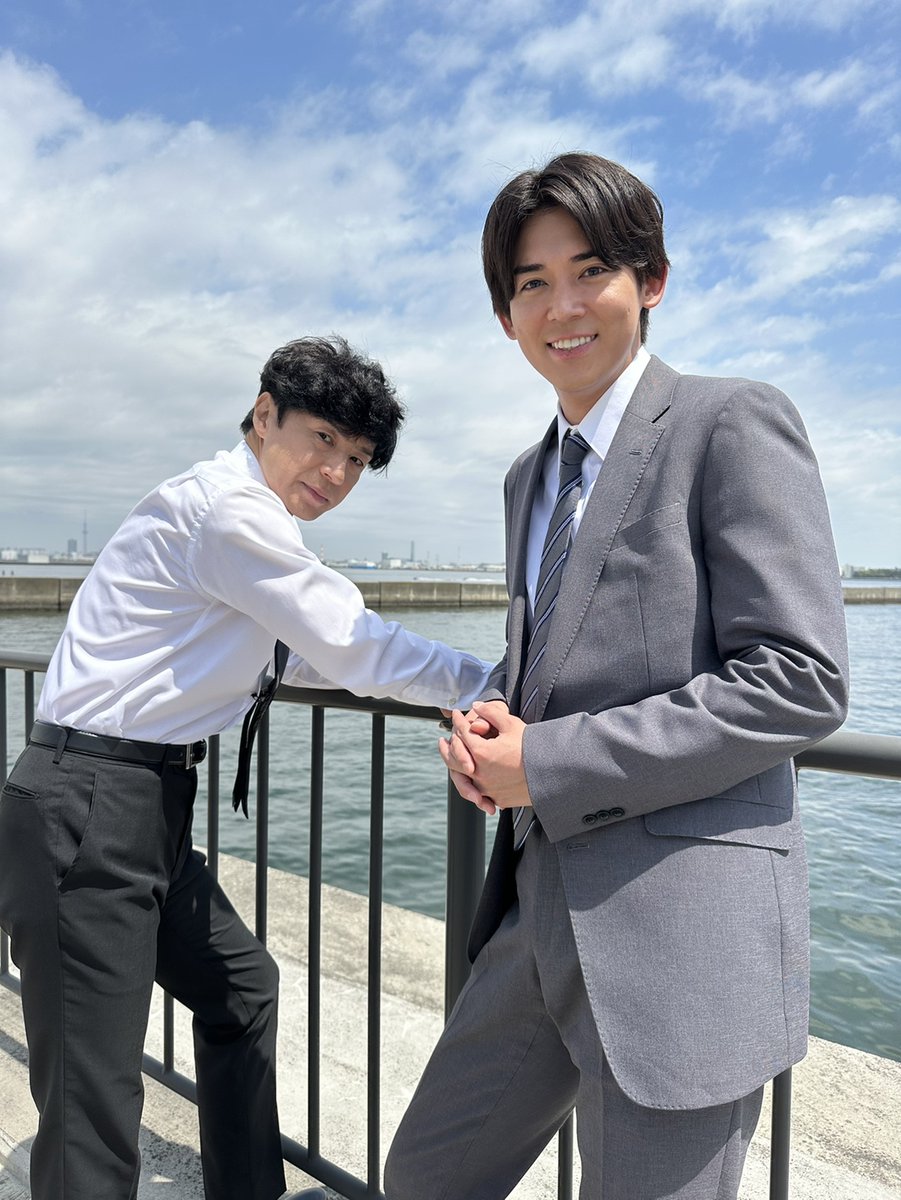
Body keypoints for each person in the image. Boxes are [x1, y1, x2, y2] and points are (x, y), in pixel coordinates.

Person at [384, 154, 850, 1199]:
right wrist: (493, 719)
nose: (562, 305)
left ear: (652, 280)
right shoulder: (528, 474)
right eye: (531, 283)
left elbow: (800, 677)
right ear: (505, 317)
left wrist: (545, 764)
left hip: (680, 928)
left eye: (589, 270)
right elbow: (559, 654)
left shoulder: (730, 421)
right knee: (422, 1176)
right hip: (537, 908)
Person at [0, 335, 492, 1200]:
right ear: (265, 416)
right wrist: (491, 682)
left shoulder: (235, 522)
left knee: (243, 989)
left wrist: (421, 682)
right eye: (323, 439)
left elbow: (301, 654)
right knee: (92, 1102)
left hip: (140, 805)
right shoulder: (229, 511)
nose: (337, 472)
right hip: (91, 806)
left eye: (358, 458)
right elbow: (351, 640)